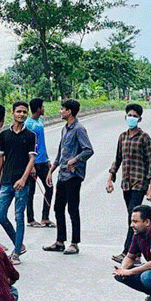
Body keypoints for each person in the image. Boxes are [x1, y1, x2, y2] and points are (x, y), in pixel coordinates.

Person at [107, 103, 151, 264]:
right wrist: (110, 177)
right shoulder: (122, 137)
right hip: (126, 184)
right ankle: (137, 252)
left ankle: (128, 251)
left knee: (133, 217)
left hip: (139, 183)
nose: (132, 118)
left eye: (135, 116)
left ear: (140, 119)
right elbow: (118, 159)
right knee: (133, 218)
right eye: (130, 115)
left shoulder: (144, 138)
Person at [43, 99, 94, 255]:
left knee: (72, 208)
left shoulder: (79, 129)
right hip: (62, 175)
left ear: (69, 111)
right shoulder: (65, 129)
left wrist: (75, 160)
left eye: (62, 109)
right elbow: (61, 152)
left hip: (73, 175)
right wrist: (51, 170)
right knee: (58, 207)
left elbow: (88, 150)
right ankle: (60, 241)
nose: (60, 111)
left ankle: (74, 243)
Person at [0, 101, 37, 264]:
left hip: (22, 183)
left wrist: (23, 179)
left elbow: (31, 158)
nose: (21, 114)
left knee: (19, 216)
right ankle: (18, 244)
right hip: (6, 181)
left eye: (24, 112)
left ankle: (16, 253)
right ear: (12, 113)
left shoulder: (30, 135)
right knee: (0, 216)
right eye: (19, 111)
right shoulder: (4, 134)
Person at [25, 98, 54, 228]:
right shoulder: (29, 124)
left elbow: (42, 143)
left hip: (43, 160)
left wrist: (47, 159)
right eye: (42, 107)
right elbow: (27, 145)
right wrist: (30, 165)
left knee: (49, 187)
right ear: (37, 109)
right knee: (30, 190)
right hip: (33, 162)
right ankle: (30, 218)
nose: (43, 109)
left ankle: (45, 217)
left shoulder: (40, 122)